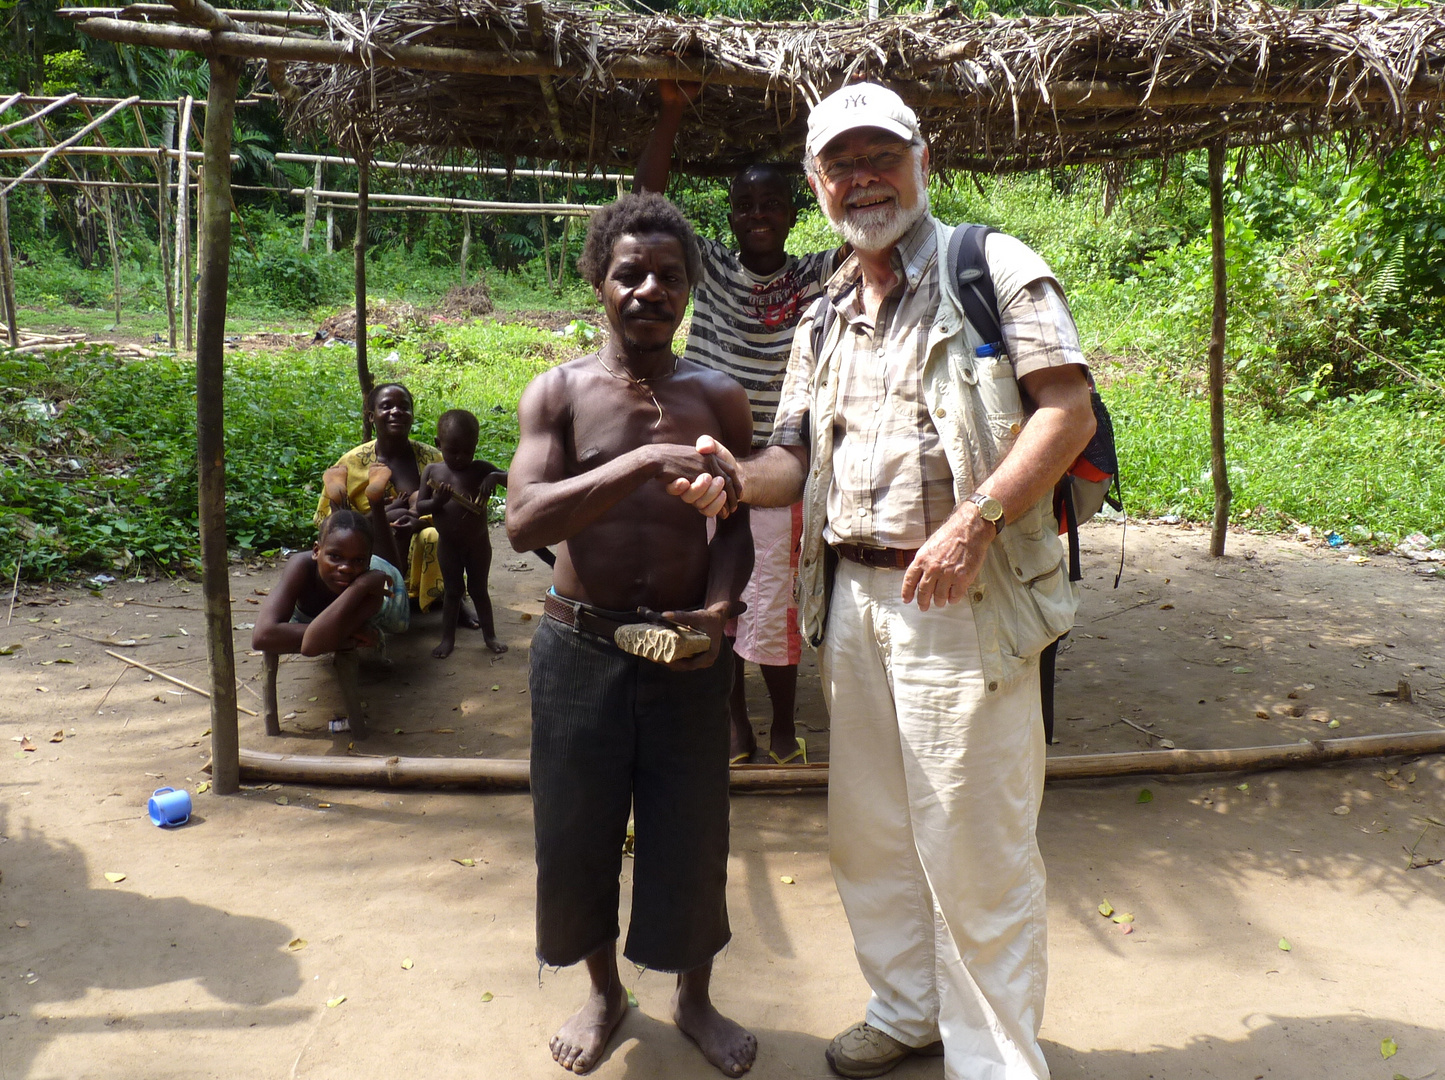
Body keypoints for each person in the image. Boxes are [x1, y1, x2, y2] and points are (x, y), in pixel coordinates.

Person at [669, 83, 1097, 1080]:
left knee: (973, 843)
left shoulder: (988, 267)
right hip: (854, 604)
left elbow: (1065, 410)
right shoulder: (822, 311)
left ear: (921, 159)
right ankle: (906, 1009)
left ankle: (992, 1061)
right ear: (819, 183)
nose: (861, 179)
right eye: (840, 164)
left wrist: (976, 520)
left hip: (965, 596)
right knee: (869, 833)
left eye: (879, 156)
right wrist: (733, 483)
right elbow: (789, 457)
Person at [505, 192, 757, 1077]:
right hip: (580, 646)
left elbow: (735, 528)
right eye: (630, 274)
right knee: (576, 830)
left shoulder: (718, 398)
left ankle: (693, 997)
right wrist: (645, 460)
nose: (650, 289)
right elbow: (525, 521)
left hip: (689, 654)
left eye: (669, 276)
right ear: (598, 282)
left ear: (688, 290)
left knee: (691, 831)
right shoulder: (559, 392)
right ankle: (605, 992)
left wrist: (721, 614)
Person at [636, 79, 841, 765]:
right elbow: (645, 206)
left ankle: (781, 722)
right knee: (713, 597)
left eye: (770, 203)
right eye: (744, 204)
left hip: (774, 468)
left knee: (773, 599)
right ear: (729, 216)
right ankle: (735, 724)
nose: (757, 214)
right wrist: (670, 112)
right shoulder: (709, 267)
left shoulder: (818, 273)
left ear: (793, 212)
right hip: (702, 456)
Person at [252, 505, 409, 735]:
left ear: (367, 562)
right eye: (335, 557)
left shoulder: (371, 590)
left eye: (357, 560)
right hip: (333, 607)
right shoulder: (301, 565)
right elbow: (262, 636)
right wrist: (344, 632)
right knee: (337, 627)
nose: (345, 568)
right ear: (316, 551)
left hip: (386, 589)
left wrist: (361, 586)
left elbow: (311, 645)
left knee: (399, 625)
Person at [317, 382, 450, 616]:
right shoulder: (351, 463)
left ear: (411, 415)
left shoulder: (434, 459)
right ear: (371, 416)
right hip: (368, 546)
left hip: (420, 543)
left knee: (432, 534)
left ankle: (442, 597)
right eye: (386, 406)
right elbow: (326, 525)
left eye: (404, 407)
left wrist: (419, 523)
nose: (396, 412)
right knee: (356, 526)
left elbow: (456, 511)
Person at [414, 408, 508, 658]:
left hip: (478, 545)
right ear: (438, 444)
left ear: (476, 444)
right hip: (449, 546)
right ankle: (447, 639)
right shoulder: (433, 472)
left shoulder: (480, 469)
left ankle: (490, 636)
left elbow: (513, 480)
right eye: (452, 451)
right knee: (453, 592)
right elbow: (420, 507)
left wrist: (495, 477)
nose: (460, 457)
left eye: (468, 451)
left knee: (479, 591)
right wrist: (437, 502)